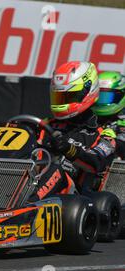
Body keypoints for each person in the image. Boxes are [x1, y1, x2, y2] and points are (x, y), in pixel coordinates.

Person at [32, 61, 117, 199]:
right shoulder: (46, 125)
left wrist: (68, 149)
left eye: (68, 96)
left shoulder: (103, 134)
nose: (61, 102)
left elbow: (97, 163)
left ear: (86, 92)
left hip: (72, 198)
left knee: (56, 168)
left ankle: (27, 207)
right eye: (58, 97)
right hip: (34, 180)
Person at [91, 71, 125, 159]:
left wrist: (112, 141)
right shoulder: (88, 117)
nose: (102, 101)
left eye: (107, 97)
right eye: (99, 97)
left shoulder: (122, 121)